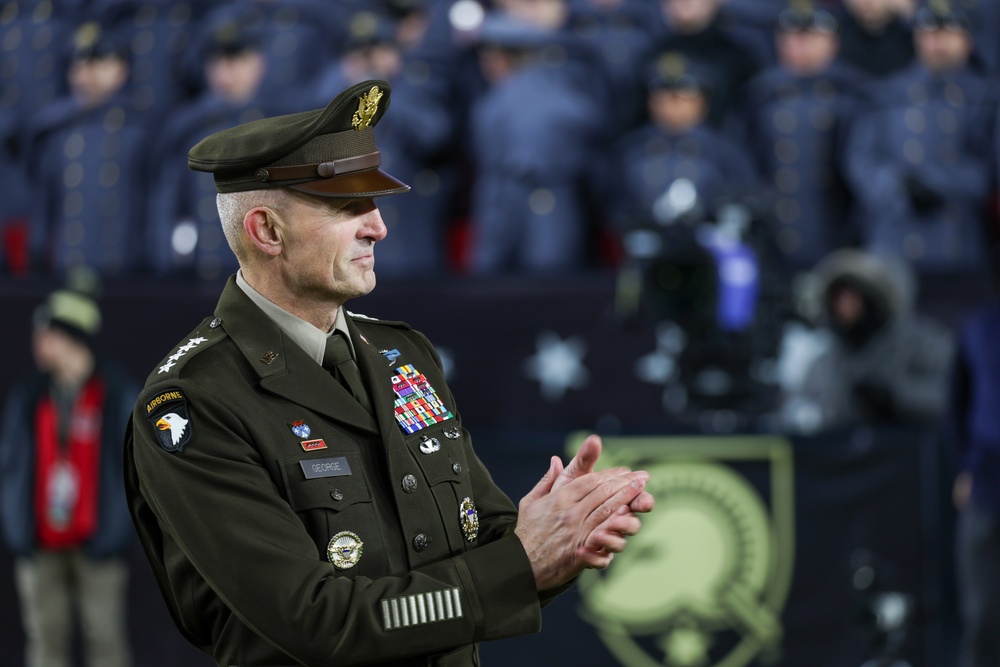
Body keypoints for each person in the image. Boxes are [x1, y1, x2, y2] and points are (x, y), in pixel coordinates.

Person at [123, 79, 654, 666]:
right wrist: (522, 561)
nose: (377, 227)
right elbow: (315, 620)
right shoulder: (193, 403)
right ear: (267, 231)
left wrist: (563, 537)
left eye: (373, 204)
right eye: (347, 207)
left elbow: (487, 555)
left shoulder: (403, 354)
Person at [0, 269, 137, 667]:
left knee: (106, 642)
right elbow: (10, 462)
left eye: (47, 334)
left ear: (72, 337)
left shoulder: (116, 393)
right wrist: (15, 521)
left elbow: (134, 468)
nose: (38, 344)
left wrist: (116, 529)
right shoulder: (29, 395)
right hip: (39, 542)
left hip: (98, 544)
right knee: (45, 645)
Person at [841, 0, 997, 276]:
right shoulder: (887, 93)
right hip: (894, 241)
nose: (936, 44)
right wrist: (897, 187)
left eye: (946, 34)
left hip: (960, 244)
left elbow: (989, 167)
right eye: (929, 34)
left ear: (967, 39)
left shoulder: (985, 98)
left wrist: (935, 184)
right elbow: (860, 158)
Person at [778, 248, 953, 434]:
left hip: (913, 452)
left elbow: (952, 396)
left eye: (852, 297)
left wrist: (895, 397)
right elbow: (803, 412)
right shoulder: (827, 359)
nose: (844, 307)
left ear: (872, 298)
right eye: (837, 299)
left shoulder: (920, 342)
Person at [948, 282, 1000, 667]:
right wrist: (964, 468)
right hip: (986, 482)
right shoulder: (979, 328)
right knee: (982, 613)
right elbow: (956, 405)